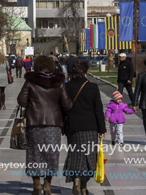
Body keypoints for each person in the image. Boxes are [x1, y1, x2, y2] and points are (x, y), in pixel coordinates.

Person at [17, 54, 72, 195]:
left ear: (37, 66)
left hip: (34, 123)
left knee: (34, 154)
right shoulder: (59, 82)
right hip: (53, 125)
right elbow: (66, 104)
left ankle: (36, 184)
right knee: (51, 154)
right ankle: (47, 185)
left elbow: (22, 101)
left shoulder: (31, 81)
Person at [63, 60, 106, 195]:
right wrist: (102, 129)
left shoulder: (66, 86)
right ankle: (83, 186)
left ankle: (76, 179)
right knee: (89, 156)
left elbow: (63, 108)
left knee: (75, 154)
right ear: (85, 72)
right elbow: (98, 110)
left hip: (73, 127)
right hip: (90, 127)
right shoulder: (92, 87)